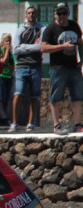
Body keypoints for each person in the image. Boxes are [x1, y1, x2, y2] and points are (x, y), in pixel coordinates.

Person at [41, 3, 83, 135]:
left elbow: (80, 42)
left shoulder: (74, 25)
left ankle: (77, 123)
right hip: (57, 67)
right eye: (59, 13)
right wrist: (62, 47)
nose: (62, 16)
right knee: (56, 96)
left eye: (64, 13)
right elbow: (43, 48)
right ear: (55, 14)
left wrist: (82, 59)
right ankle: (56, 124)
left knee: (78, 95)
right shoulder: (51, 29)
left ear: (68, 14)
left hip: (73, 66)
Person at [11, 6, 42, 133]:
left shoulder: (41, 30)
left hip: (35, 66)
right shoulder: (20, 31)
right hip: (21, 66)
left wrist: (24, 46)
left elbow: (41, 47)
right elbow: (15, 49)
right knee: (18, 93)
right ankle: (14, 122)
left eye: (33, 13)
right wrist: (32, 46)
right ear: (26, 15)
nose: (31, 15)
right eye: (29, 13)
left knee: (34, 96)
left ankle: (31, 123)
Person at [0, 33, 15, 128]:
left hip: (9, 77)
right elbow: (2, 61)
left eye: (9, 41)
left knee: (7, 98)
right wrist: (7, 50)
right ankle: (0, 119)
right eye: (6, 41)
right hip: (2, 76)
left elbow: (12, 66)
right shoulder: (0, 50)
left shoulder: (11, 53)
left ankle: (4, 118)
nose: (8, 43)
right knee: (2, 98)